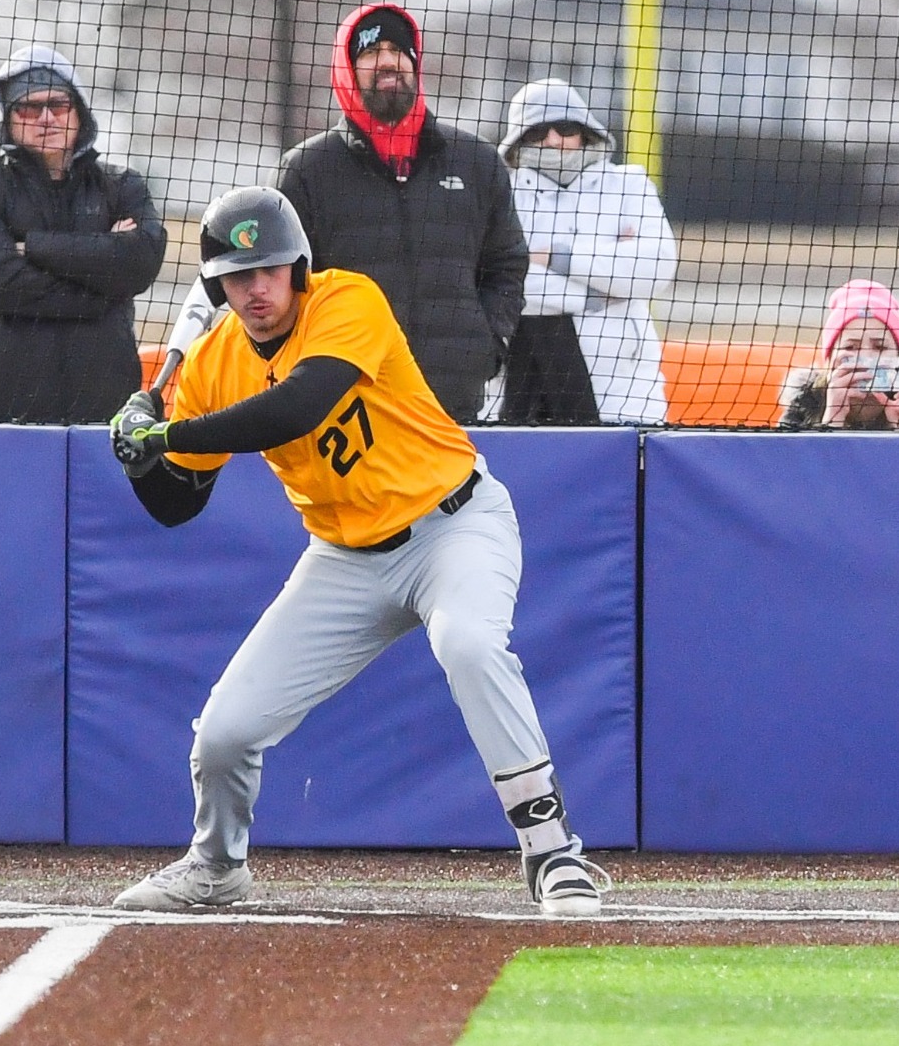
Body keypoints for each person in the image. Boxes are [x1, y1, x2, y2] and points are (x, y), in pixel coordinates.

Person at [106, 186, 608, 917]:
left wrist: (169, 436)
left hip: (453, 524)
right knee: (225, 730)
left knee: (469, 643)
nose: (256, 288)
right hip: (345, 558)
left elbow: (299, 403)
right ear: (217, 286)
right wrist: (136, 452)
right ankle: (216, 865)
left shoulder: (347, 300)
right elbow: (178, 504)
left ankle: (553, 849)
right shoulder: (213, 363)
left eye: (270, 269)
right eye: (239, 276)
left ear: (298, 268)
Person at [275, 3, 529, 424]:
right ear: (347, 69)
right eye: (372, 53)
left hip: (449, 400)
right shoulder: (307, 169)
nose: (389, 61)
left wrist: (486, 344)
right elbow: (285, 280)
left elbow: (506, 262)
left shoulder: (476, 161)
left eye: (399, 50)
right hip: (348, 405)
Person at [0, 45, 168, 424]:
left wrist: (32, 247)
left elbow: (139, 263)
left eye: (58, 105)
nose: (46, 118)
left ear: (79, 113)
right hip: (2, 413)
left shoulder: (121, 186)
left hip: (105, 412)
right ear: (10, 118)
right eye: (29, 108)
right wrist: (99, 293)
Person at [482, 79, 676, 425]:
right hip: (515, 385)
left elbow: (654, 269)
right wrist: (598, 295)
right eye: (540, 130)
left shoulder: (629, 185)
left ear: (585, 131)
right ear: (521, 138)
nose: (555, 140)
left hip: (624, 394)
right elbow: (497, 281)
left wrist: (554, 257)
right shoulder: (500, 192)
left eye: (566, 127)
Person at [779, 278, 899, 430]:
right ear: (830, 359)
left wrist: (895, 428)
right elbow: (785, 453)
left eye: (880, 347)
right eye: (850, 347)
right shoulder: (806, 402)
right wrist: (833, 419)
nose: (866, 356)